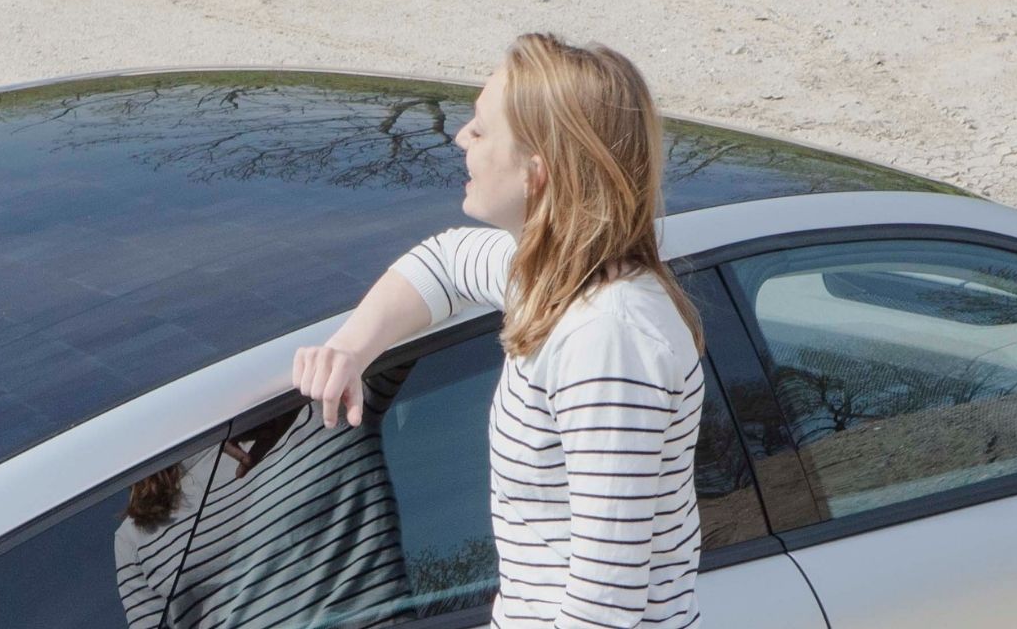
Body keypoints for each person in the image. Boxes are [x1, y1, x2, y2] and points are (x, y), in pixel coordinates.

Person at [290, 33, 707, 629]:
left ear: (539, 170)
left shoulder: (608, 341)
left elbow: (604, 609)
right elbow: (444, 262)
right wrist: (349, 350)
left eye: (481, 131)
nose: (460, 137)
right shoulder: (551, 281)